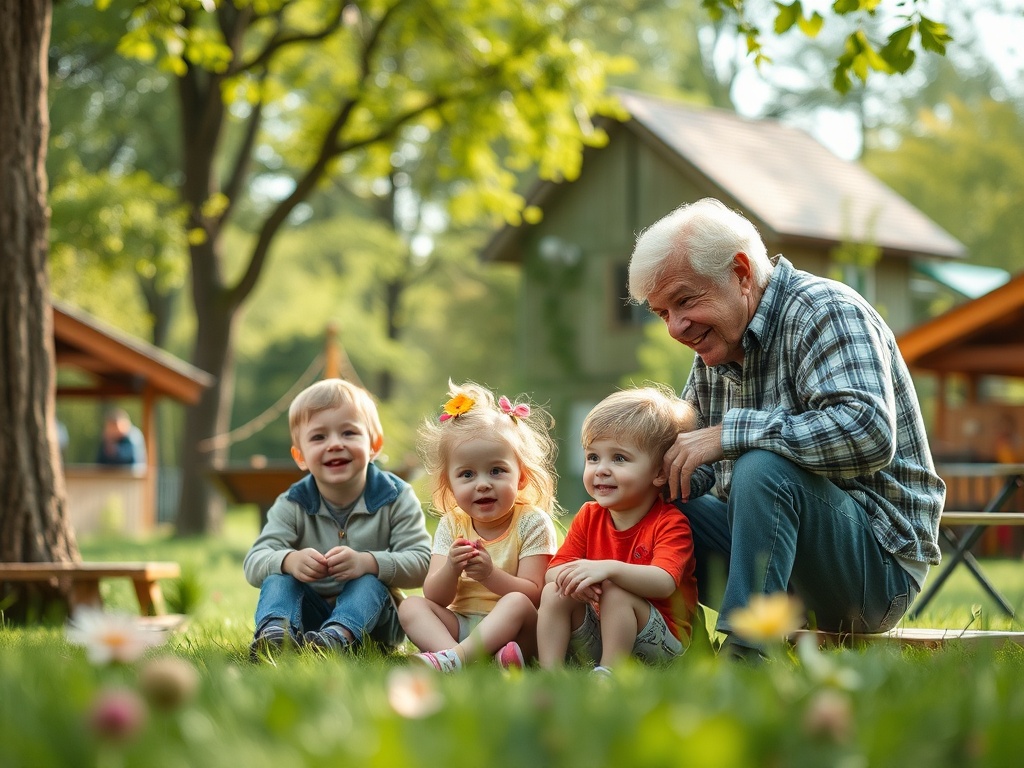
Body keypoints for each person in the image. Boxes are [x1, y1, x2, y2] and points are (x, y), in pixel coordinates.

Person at [627, 197, 946, 658]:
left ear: (741, 273)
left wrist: (730, 434)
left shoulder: (826, 310)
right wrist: (641, 469)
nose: (676, 327)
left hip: (875, 575)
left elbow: (869, 432)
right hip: (775, 564)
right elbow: (698, 469)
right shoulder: (714, 347)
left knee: (762, 466)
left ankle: (745, 652)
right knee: (646, 500)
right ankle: (661, 640)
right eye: (662, 313)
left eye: (684, 300)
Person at [243, 378, 431, 659]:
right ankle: (275, 635)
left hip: (375, 623)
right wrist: (289, 560)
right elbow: (255, 561)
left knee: (369, 580)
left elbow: (423, 562)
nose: (334, 444)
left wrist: (368, 562)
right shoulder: (293, 502)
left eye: (349, 433)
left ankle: (337, 639)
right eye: (319, 437)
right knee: (279, 576)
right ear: (300, 456)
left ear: (374, 445)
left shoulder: (395, 496)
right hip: (310, 620)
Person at [536, 385, 699, 674]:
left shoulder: (669, 522)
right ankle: (551, 673)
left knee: (616, 591)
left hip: (661, 643)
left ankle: (608, 676)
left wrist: (606, 570)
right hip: (603, 629)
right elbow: (553, 570)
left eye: (619, 458)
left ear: (660, 472)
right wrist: (577, 579)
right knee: (554, 591)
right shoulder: (589, 516)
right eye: (593, 457)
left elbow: (664, 582)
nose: (601, 469)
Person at [399, 381, 560, 672]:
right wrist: (450, 568)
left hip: (518, 631)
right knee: (411, 606)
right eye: (467, 474)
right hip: (463, 625)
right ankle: (458, 657)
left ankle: (456, 660)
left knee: (516, 602)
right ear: (449, 484)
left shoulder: (533, 522)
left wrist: (489, 575)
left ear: (521, 477)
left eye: (497, 471)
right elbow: (436, 596)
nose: (483, 483)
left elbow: (536, 594)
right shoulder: (452, 524)